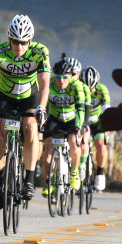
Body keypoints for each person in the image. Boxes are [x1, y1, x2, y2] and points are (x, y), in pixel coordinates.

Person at [0, 14, 50, 208]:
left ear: (30, 40)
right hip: (4, 97)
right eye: (15, 42)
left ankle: (28, 179)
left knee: (30, 127)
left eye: (24, 43)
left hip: (30, 96)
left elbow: (44, 83)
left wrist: (42, 108)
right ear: (9, 39)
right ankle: (0, 183)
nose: (19, 47)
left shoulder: (40, 52)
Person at [41, 56, 85, 196]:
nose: (61, 81)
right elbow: (42, 105)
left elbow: (81, 109)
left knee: (73, 142)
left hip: (71, 119)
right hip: (54, 118)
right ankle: (49, 182)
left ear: (70, 76)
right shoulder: (50, 85)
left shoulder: (76, 86)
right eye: (58, 77)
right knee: (48, 148)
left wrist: (79, 126)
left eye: (65, 77)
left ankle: (74, 172)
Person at [81, 66, 111, 191]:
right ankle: (81, 167)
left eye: (92, 88)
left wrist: (108, 127)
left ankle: (100, 173)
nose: (90, 91)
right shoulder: (77, 89)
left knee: (100, 146)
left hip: (98, 121)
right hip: (84, 120)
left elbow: (106, 111)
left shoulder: (102, 90)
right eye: (87, 88)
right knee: (82, 145)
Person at [66, 57, 92, 182]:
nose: (70, 76)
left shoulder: (83, 88)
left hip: (79, 117)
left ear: (79, 74)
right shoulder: (61, 85)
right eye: (68, 73)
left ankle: (80, 167)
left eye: (73, 74)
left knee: (83, 141)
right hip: (64, 118)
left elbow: (85, 111)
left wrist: (83, 127)